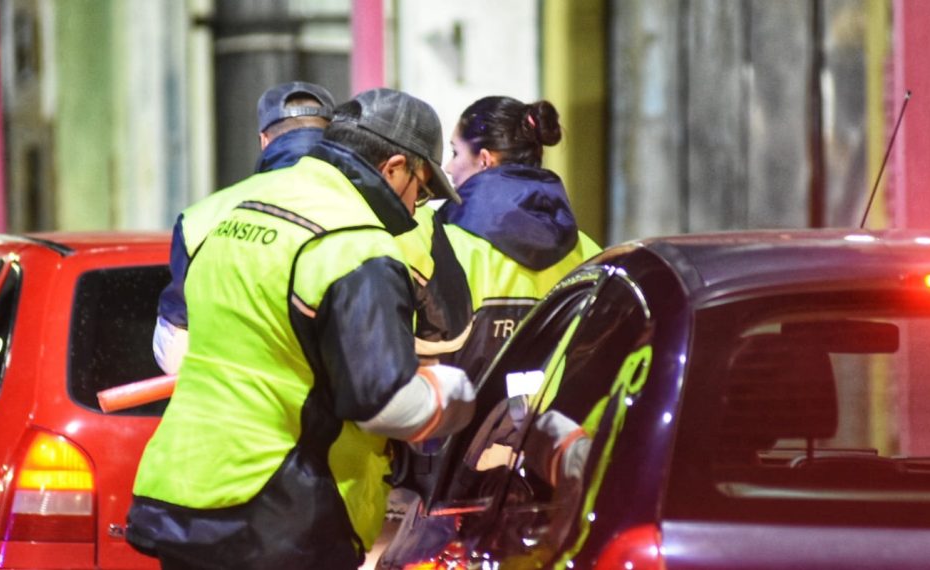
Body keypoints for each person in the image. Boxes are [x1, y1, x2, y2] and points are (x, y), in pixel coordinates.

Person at [126, 88, 477, 570]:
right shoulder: (355, 245)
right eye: (424, 187)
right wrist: (452, 394)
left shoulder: (230, 211)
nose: (419, 206)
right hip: (275, 512)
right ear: (395, 168)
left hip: (181, 490)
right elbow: (385, 404)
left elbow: (180, 346)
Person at [154, 82, 471, 377]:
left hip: (216, 409)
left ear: (264, 141)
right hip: (355, 409)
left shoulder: (203, 217)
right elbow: (445, 338)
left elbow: (174, 353)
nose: (416, 204)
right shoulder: (399, 219)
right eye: (422, 191)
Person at [437, 95, 602, 380]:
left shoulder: (444, 245)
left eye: (455, 153)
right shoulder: (591, 255)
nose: (449, 168)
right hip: (560, 409)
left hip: (469, 408)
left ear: (485, 160)